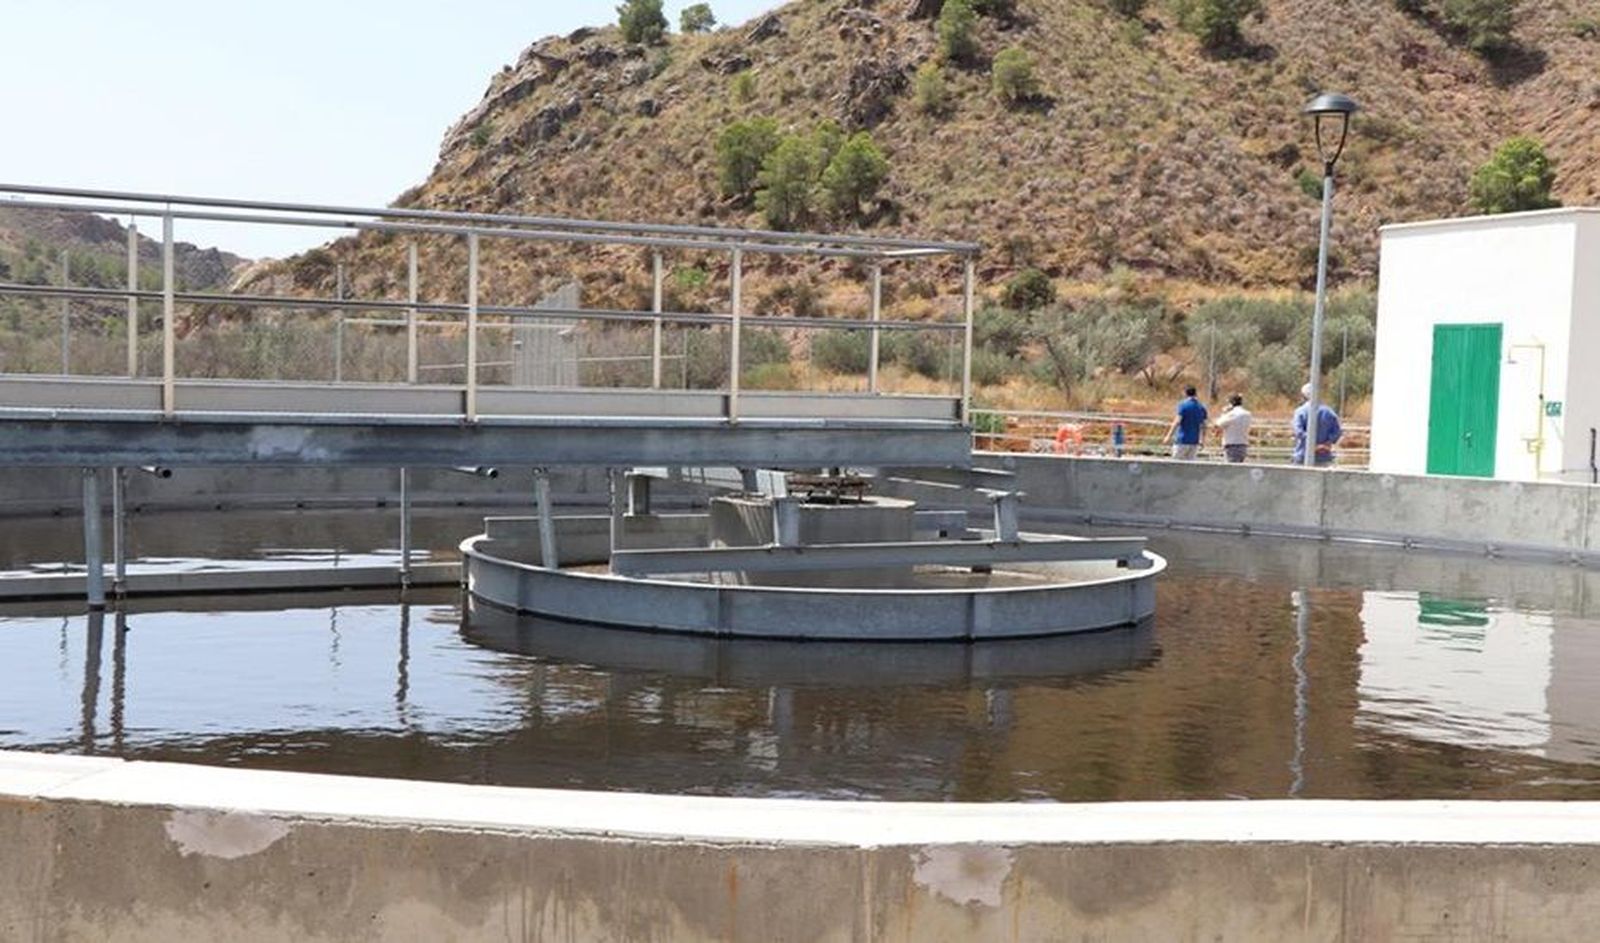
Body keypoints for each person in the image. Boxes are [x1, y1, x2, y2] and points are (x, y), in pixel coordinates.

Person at [1292, 383, 1342, 467]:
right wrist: (1326, 444)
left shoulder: (1300, 412)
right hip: (1324, 456)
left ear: (1303, 396)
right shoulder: (1329, 412)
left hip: (1303, 455)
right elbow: (1337, 431)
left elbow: (1298, 431)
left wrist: (1313, 444)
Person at [1162, 386, 1208, 460]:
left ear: (1185, 394)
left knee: (1176, 463)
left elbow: (1177, 421)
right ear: (1195, 394)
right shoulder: (1201, 408)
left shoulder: (1183, 405)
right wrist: (1202, 440)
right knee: (1190, 465)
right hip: (1194, 442)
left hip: (1182, 440)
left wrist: (1168, 436)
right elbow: (1204, 426)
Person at [1214, 393, 1253, 463]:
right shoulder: (1248, 414)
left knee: (1231, 467)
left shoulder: (1232, 414)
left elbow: (1218, 423)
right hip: (1243, 445)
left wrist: (1224, 413)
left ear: (1232, 403)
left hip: (1232, 445)